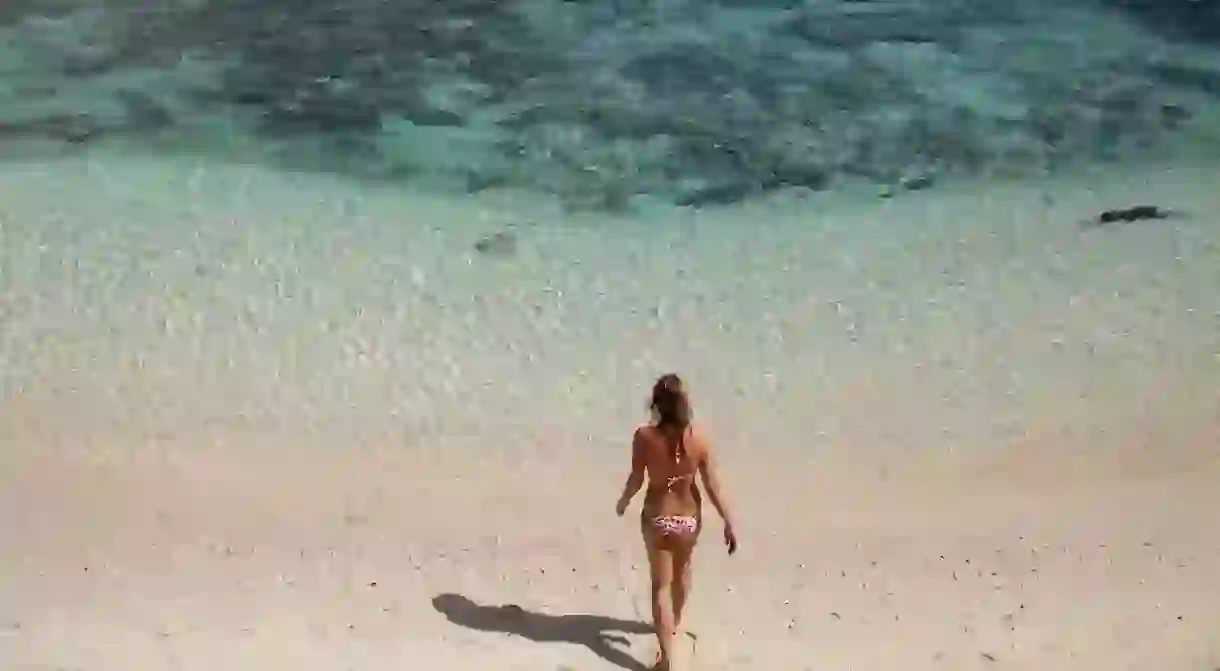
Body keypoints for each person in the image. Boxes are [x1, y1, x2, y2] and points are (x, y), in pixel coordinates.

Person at [615, 373, 739, 670]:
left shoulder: (644, 437)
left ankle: (666, 656)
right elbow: (712, 485)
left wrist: (623, 501)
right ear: (685, 404)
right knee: (682, 573)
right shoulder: (699, 439)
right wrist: (728, 520)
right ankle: (674, 624)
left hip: (657, 518)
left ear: (656, 404)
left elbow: (636, 478)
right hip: (687, 519)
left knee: (660, 586)